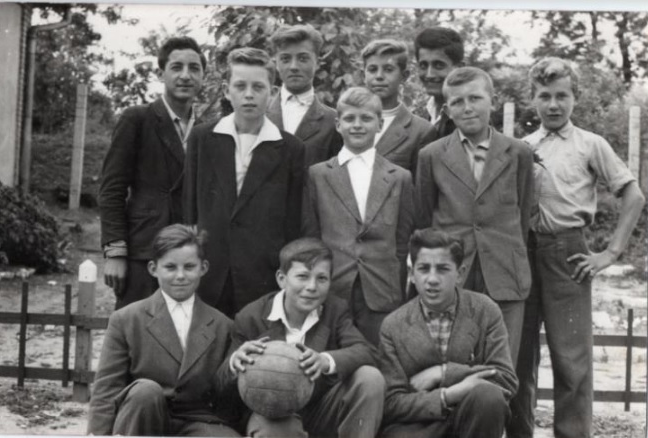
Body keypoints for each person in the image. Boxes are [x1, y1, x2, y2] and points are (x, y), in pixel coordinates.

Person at [508, 57, 645, 438]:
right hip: (523, 253)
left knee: (571, 360)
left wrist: (610, 253)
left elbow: (633, 196)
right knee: (517, 356)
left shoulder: (590, 144)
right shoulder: (521, 147)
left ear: (575, 97)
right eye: (544, 96)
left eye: (562, 96)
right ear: (532, 99)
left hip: (568, 254)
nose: (553, 105)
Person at [415, 67, 534, 361]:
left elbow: (523, 216)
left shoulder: (519, 152)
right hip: (454, 273)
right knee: (452, 362)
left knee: (501, 363)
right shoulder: (431, 155)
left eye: (475, 98)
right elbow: (424, 220)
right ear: (447, 110)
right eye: (457, 102)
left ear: (493, 101)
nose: (467, 108)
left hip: (504, 272)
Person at [217, 237, 384, 438]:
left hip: (318, 408)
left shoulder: (335, 310)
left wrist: (325, 360)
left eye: (321, 278)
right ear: (282, 279)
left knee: (370, 378)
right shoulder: (251, 317)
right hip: (271, 413)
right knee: (274, 430)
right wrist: (234, 363)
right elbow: (219, 386)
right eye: (303, 276)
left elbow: (366, 351)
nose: (312, 286)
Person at [183, 47, 305, 317]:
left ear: (273, 92)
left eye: (258, 87)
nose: (249, 94)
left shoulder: (290, 148)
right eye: (240, 86)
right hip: (210, 272)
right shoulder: (202, 138)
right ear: (226, 90)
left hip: (262, 277)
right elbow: (189, 209)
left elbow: (293, 222)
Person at [87, 224, 239, 437]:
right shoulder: (127, 319)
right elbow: (106, 388)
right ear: (153, 269)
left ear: (203, 268)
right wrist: (97, 434)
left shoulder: (223, 324)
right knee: (145, 391)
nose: (180, 276)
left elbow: (223, 390)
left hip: (195, 420)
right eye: (170, 267)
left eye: (189, 267)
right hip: (142, 417)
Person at [379, 228, 517, 438]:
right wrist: (448, 395)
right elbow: (392, 403)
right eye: (424, 269)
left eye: (443, 269)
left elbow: (505, 380)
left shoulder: (484, 310)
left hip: (471, 420)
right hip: (419, 426)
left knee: (489, 396)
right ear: (412, 274)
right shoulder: (393, 325)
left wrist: (443, 372)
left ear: (460, 273)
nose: (432, 279)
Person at [100, 37, 206, 309]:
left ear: (203, 76)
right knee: (138, 327)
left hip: (189, 254)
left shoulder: (208, 129)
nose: (186, 76)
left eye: (194, 68)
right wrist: (116, 252)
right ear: (161, 74)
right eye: (177, 67)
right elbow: (112, 189)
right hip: (144, 250)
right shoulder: (137, 119)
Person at [303, 87, 414, 344]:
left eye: (366, 118)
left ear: (380, 124)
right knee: (332, 355)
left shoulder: (399, 177)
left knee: (379, 357)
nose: (357, 125)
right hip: (334, 286)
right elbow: (312, 235)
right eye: (350, 118)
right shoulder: (318, 175)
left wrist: (395, 285)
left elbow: (402, 241)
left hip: (381, 290)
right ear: (338, 124)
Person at [267, 24, 342, 166]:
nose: (294, 67)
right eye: (285, 59)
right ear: (276, 63)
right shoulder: (258, 115)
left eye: (302, 59)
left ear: (317, 63)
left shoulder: (333, 122)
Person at [361, 39, 436, 177]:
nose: (379, 76)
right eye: (372, 69)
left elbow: (421, 186)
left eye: (388, 69)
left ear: (404, 76)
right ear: (363, 75)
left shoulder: (421, 131)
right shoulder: (345, 121)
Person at [414, 26, 464, 138]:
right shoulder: (421, 113)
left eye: (438, 65)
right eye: (423, 65)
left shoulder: (469, 117)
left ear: (459, 69)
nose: (429, 75)